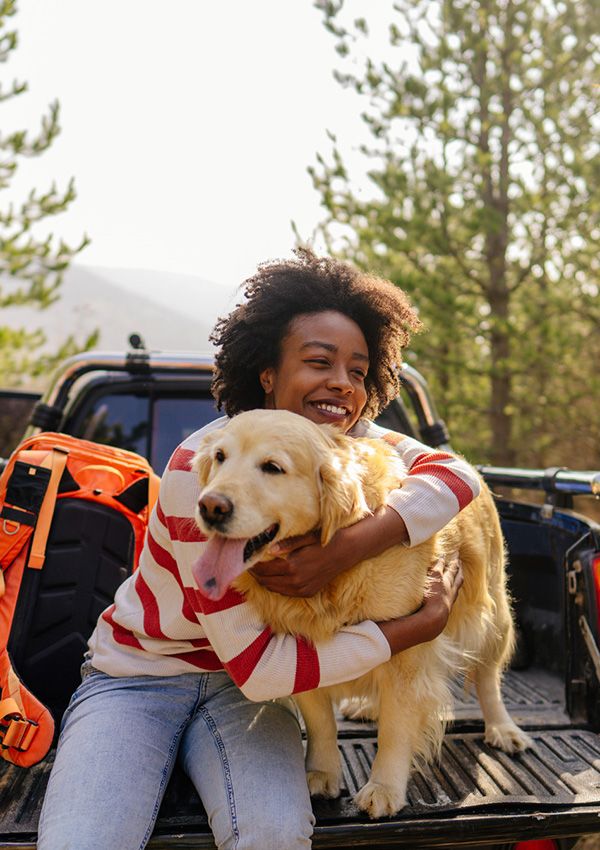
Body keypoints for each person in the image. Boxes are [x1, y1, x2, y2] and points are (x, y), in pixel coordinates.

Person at [37, 250, 478, 850]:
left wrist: (344, 548)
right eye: (318, 362)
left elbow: (457, 477)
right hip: (140, 677)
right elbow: (263, 667)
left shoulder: (348, 444)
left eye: (358, 369)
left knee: (273, 835)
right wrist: (415, 626)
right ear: (268, 374)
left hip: (246, 695)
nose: (340, 383)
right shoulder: (208, 466)